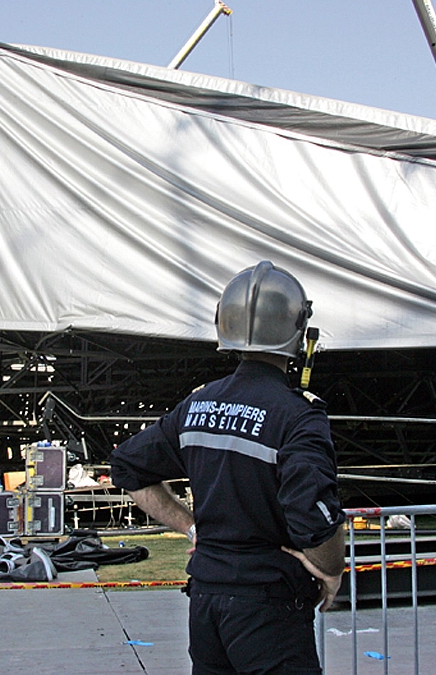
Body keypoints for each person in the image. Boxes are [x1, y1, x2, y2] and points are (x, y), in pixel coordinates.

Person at [109, 260, 346, 674]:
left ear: (224, 325)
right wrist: (330, 570)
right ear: (299, 332)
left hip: (206, 606)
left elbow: (128, 467)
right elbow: (314, 517)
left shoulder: (197, 405)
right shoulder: (298, 418)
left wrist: (192, 527)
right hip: (269, 609)